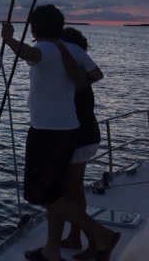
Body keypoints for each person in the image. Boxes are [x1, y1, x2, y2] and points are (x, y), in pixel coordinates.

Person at [0, 5, 120, 261]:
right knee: (57, 192)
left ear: (34, 28)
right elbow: (94, 75)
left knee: (39, 193)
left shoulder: (45, 48)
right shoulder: (71, 49)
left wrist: (9, 38)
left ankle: (101, 234)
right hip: (64, 129)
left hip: (49, 132)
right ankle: (52, 250)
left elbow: (29, 52)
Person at [59, 27, 103, 260]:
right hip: (87, 137)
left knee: (65, 193)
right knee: (76, 189)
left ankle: (95, 241)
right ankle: (75, 237)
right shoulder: (80, 76)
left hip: (80, 139)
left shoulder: (77, 79)